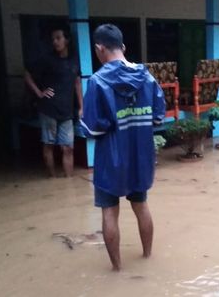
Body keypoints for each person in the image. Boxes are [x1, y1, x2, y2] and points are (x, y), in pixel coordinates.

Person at [80, 24, 165, 271]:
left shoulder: (97, 81)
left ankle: (117, 269)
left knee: (109, 212)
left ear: (99, 49)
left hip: (110, 161)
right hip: (140, 158)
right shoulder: (147, 78)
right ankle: (147, 256)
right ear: (124, 47)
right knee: (141, 207)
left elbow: (92, 128)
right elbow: (158, 118)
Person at [24, 26, 83, 177]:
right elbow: (27, 74)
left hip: (67, 111)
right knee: (49, 145)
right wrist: (39, 93)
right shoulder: (47, 59)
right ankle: (52, 178)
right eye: (53, 39)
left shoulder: (74, 60)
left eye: (58, 38)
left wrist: (81, 106)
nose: (55, 42)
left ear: (67, 40)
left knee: (68, 147)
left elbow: (77, 83)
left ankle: (68, 180)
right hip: (49, 109)